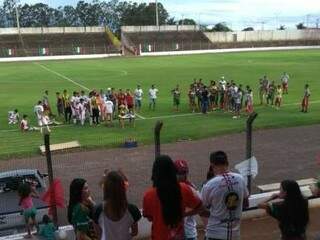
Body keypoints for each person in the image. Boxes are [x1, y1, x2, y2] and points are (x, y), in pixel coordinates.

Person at [143, 155, 203, 240]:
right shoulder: (184, 188)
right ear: (172, 171)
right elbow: (200, 207)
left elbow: (150, 218)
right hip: (179, 236)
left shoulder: (148, 195)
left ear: (155, 172)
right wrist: (183, 214)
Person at [201, 151, 249, 240]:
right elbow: (246, 204)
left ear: (212, 165)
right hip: (235, 235)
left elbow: (202, 210)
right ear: (227, 162)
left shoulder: (209, 185)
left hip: (214, 234)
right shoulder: (240, 179)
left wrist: (217, 213)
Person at [94, 171, 141, 240]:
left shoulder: (98, 210)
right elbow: (135, 232)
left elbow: (98, 234)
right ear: (123, 188)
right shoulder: (132, 210)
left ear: (106, 189)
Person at [174, 159, 199, 240]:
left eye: (184, 172)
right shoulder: (169, 188)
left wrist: (182, 213)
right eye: (179, 173)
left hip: (189, 233)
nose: (183, 175)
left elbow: (200, 208)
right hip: (174, 234)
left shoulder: (192, 188)